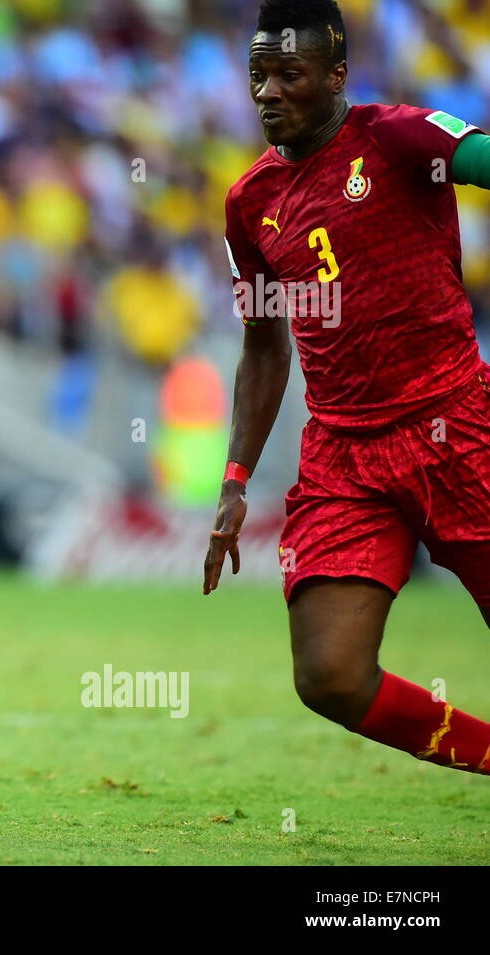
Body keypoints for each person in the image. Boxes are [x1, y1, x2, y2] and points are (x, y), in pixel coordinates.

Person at [204, 0, 490, 773]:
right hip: (343, 454)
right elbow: (263, 348)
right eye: (258, 74)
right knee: (328, 674)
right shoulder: (249, 204)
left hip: (454, 425)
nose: (267, 91)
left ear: (336, 77)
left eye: (287, 74)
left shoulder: (399, 137)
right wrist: (234, 479)